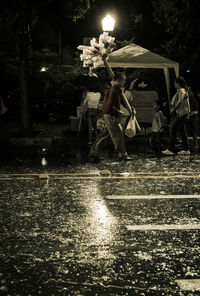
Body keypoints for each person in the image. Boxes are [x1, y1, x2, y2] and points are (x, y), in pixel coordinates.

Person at [88, 72, 133, 161]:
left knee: (106, 136)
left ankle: (94, 153)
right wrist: (117, 111)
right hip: (111, 115)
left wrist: (131, 108)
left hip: (108, 115)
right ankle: (123, 154)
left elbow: (122, 101)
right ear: (119, 80)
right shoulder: (114, 89)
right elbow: (109, 104)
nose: (124, 82)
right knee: (118, 134)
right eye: (123, 80)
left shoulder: (116, 89)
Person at [162, 77, 190, 155]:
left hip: (183, 114)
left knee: (173, 128)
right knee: (182, 131)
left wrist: (173, 109)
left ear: (178, 83)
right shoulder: (181, 90)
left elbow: (180, 101)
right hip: (183, 114)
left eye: (175, 83)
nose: (174, 85)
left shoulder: (181, 90)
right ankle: (186, 149)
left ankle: (170, 149)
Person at [188, 87, 199, 152]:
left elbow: (196, 110)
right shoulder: (189, 100)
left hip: (194, 116)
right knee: (192, 131)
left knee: (194, 130)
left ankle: (196, 145)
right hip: (192, 116)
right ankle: (195, 144)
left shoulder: (194, 100)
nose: (188, 93)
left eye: (190, 92)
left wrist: (189, 114)